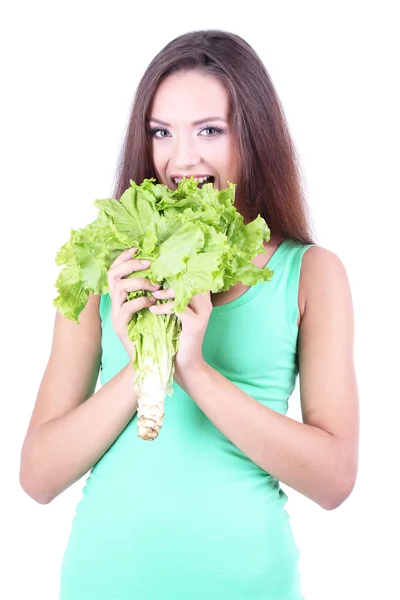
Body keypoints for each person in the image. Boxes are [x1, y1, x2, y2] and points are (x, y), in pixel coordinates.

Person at [19, 29, 359, 600]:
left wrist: (194, 368)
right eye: (161, 132)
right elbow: (38, 477)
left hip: (250, 585)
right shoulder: (106, 262)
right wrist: (141, 367)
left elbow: (334, 480)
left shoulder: (312, 274)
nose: (182, 158)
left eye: (210, 130)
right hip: (105, 582)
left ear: (253, 136)